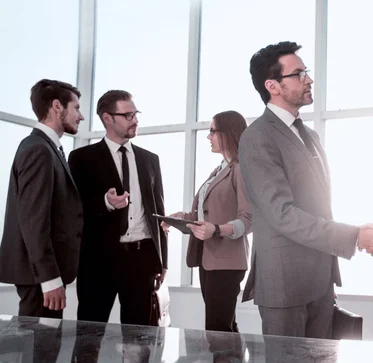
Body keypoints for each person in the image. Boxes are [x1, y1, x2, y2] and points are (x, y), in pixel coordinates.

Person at [238, 41, 373, 339]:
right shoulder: (256, 137)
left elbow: (319, 206)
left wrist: (355, 236)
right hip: (284, 286)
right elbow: (282, 214)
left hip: (320, 281)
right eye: (298, 74)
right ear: (272, 85)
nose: (308, 79)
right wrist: (355, 235)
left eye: (306, 72)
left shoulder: (308, 135)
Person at [68, 90, 168, 326]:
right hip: (98, 261)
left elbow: (158, 212)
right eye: (128, 115)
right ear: (107, 118)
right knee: (88, 336)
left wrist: (163, 261)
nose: (135, 120)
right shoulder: (81, 158)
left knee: (139, 339)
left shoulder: (150, 159)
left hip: (142, 260)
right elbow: (74, 211)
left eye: (135, 114)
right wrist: (105, 203)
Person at [0, 79, 84, 318]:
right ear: (57, 106)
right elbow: (33, 221)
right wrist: (49, 279)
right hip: (40, 278)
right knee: (40, 349)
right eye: (76, 108)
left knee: (44, 346)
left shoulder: (47, 147)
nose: (81, 116)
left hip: (42, 275)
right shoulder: (39, 149)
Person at [162, 110, 252, 333]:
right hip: (208, 259)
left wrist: (218, 230)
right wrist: (180, 219)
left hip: (226, 262)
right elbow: (206, 214)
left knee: (218, 328)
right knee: (222, 327)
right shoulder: (220, 169)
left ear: (228, 133)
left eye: (212, 131)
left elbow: (249, 219)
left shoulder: (241, 170)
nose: (208, 137)